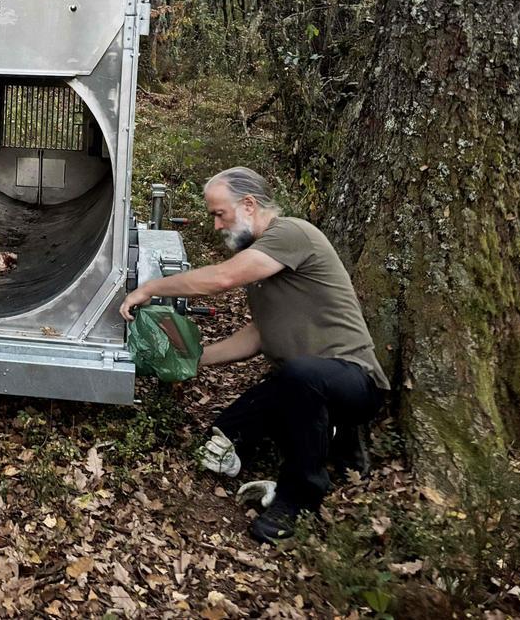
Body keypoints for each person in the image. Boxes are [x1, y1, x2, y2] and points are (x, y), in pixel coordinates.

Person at [120, 167, 388, 543]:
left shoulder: (290, 233)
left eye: (219, 213)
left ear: (248, 204)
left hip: (353, 379)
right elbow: (259, 335)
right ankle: (337, 443)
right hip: (294, 384)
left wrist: (151, 288)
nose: (216, 225)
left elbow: (221, 279)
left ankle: (298, 500)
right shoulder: (263, 262)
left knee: (300, 377)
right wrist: (196, 361)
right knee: (220, 439)